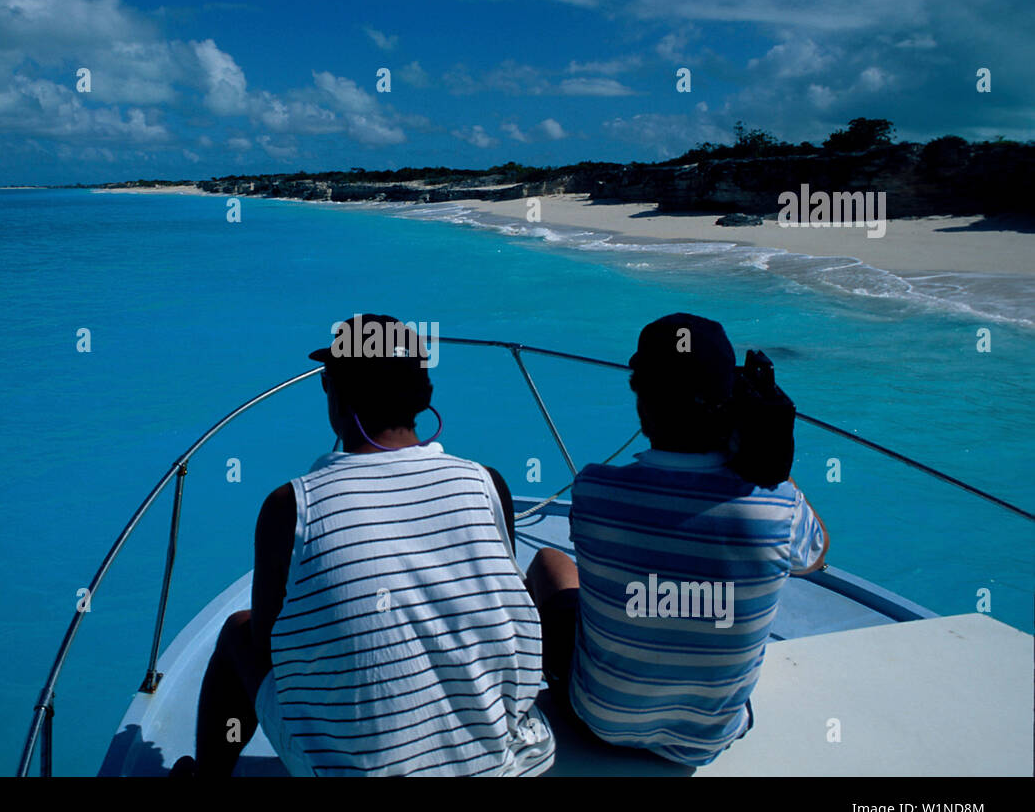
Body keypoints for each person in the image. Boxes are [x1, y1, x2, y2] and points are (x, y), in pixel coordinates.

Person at [184, 314, 554, 777]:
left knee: (239, 631)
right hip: (507, 764)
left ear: (335, 392)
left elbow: (268, 642)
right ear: (424, 397)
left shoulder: (290, 507)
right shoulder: (487, 483)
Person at [526, 312, 828, 767]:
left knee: (550, 563)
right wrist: (770, 463)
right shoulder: (778, 509)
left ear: (640, 398)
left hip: (599, 721)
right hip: (708, 739)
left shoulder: (594, 491)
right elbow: (816, 557)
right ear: (735, 402)